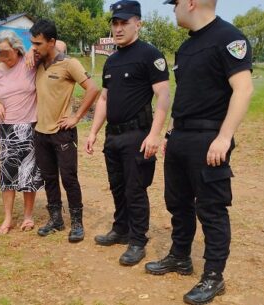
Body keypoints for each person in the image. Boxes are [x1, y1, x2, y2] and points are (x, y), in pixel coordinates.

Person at [145, 1, 253, 304]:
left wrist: (224, 136)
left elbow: (243, 89)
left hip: (210, 138)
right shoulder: (187, 46)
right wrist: (171, 133)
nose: (172, 9)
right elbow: (189, 94)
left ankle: (214, 276)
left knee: (211, 209)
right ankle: (180, 256)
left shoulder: (229, 38)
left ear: (191, 2)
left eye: (175, 4)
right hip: (181, 136)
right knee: (177, 202)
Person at [85, 0, 171, 266]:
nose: (118, 28)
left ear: (138, 23)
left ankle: (137, 240)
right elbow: (103, 100)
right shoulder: (112, 61)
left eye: (124, 23)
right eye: (115, 23)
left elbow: (164, 96)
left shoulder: (149, 54)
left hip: (138, 135)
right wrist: (93, 132)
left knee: (135, 190)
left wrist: (155, 134)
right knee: (117, 186)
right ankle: (121, 229)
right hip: (113, 135)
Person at [29, 19, 99, 243]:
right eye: (32, 43)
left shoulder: (69, 64)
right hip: (40, 132)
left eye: (38, 43)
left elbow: (93, 88)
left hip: (62, 132)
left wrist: (76, 117)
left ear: (51, 42)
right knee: (49, 177)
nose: (34, 47)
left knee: (69, 177)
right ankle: (56, 219)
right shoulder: (38, 63)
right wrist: (32, 55)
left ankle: (77, 222)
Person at [0, 30, 44, 235]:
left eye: (6, 52)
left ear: (16, 48)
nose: (2, 56)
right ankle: (8, 218)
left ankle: (28, 216)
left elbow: (60, 46)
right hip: (7, 128)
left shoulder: (30, 63)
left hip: (29, 126)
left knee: (28, 172)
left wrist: (32, 50)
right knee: (7, 174)